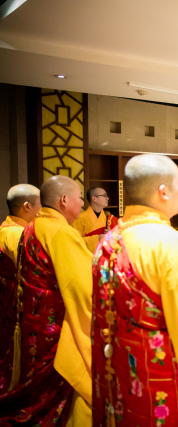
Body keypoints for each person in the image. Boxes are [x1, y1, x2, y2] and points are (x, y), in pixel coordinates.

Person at [91, 154, 178, 427]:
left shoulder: (106, 242)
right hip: (158, 386)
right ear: (163, 191)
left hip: (118, 378)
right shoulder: (169, 245)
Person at [0, 176, 92, 425]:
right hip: (56, 329)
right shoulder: (59, 231)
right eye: (80, 198)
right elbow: (85, 287)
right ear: (64, 200)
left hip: (34, 321)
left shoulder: (32, 226)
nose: (82, 204)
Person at [0, 184, 41, 391]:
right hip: (14, 305)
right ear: (27, 206)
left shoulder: (4, 228)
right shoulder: (19, 234)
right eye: (40, 204)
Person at [72, 187, 118, 253]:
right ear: (94, 198)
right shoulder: (80, 218)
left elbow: (120, 238)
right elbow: (74, 242)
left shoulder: (110, 219)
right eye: (104, 196)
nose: (107, 198)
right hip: (87, 258)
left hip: (105, 257)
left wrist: (111, 234)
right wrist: (98, 238)